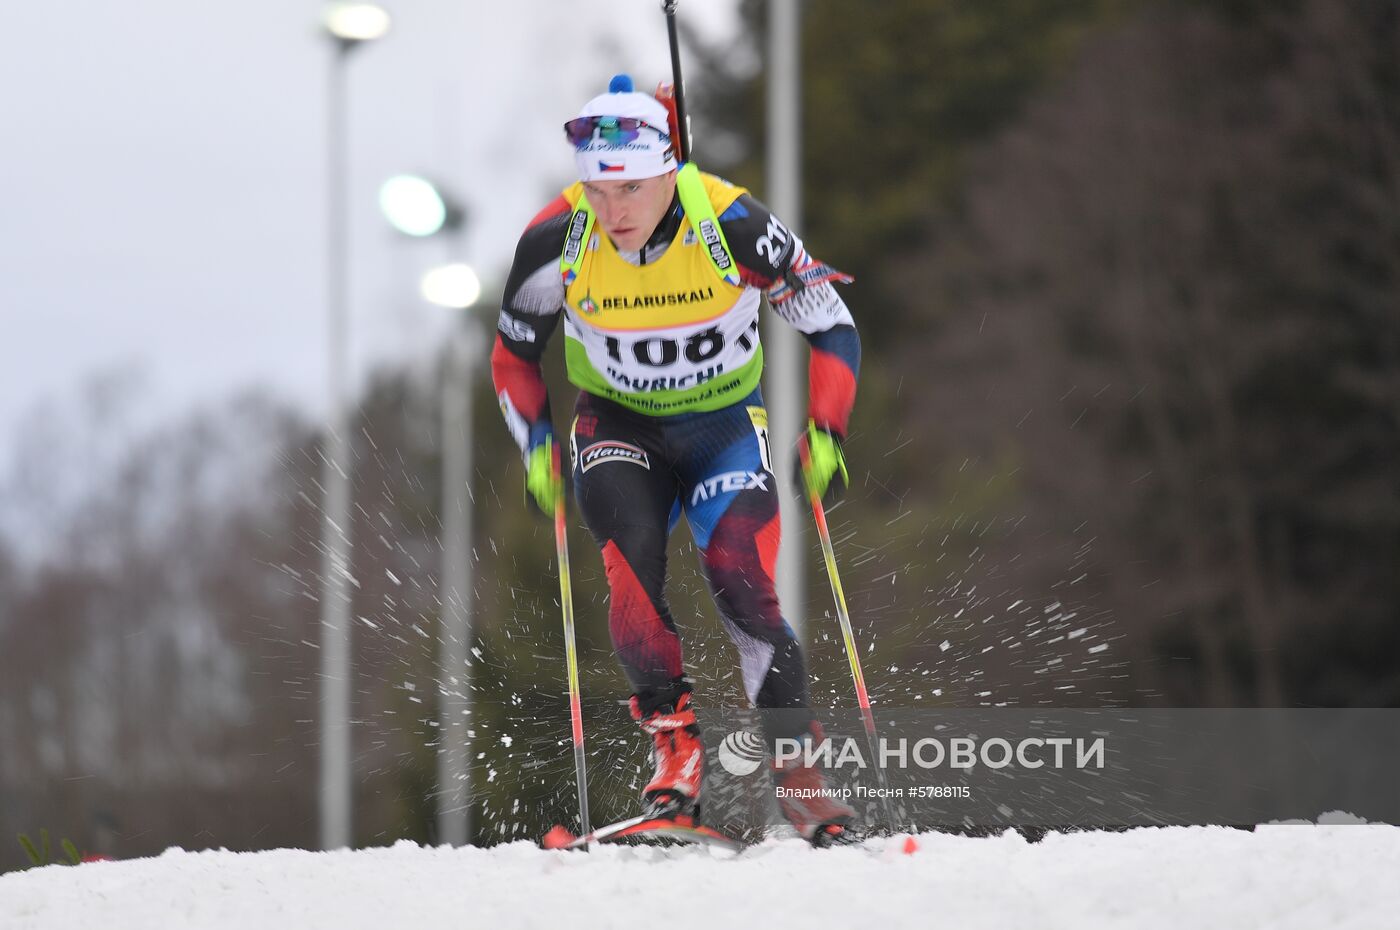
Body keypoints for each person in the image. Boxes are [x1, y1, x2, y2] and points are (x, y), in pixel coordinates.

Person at [491, 75, 862, 846]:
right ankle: (677, 758)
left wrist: (825, 429)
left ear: (672, 171)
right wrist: (534, 446)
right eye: (597, 187)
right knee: (633, 571)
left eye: (629, 188)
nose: (612, 208)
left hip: (722, 425)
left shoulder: (733, 224)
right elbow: (513, 356)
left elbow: (831, 324)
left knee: (740, 576)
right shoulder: (557, 237)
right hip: (618, 426)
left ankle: (798, 772)